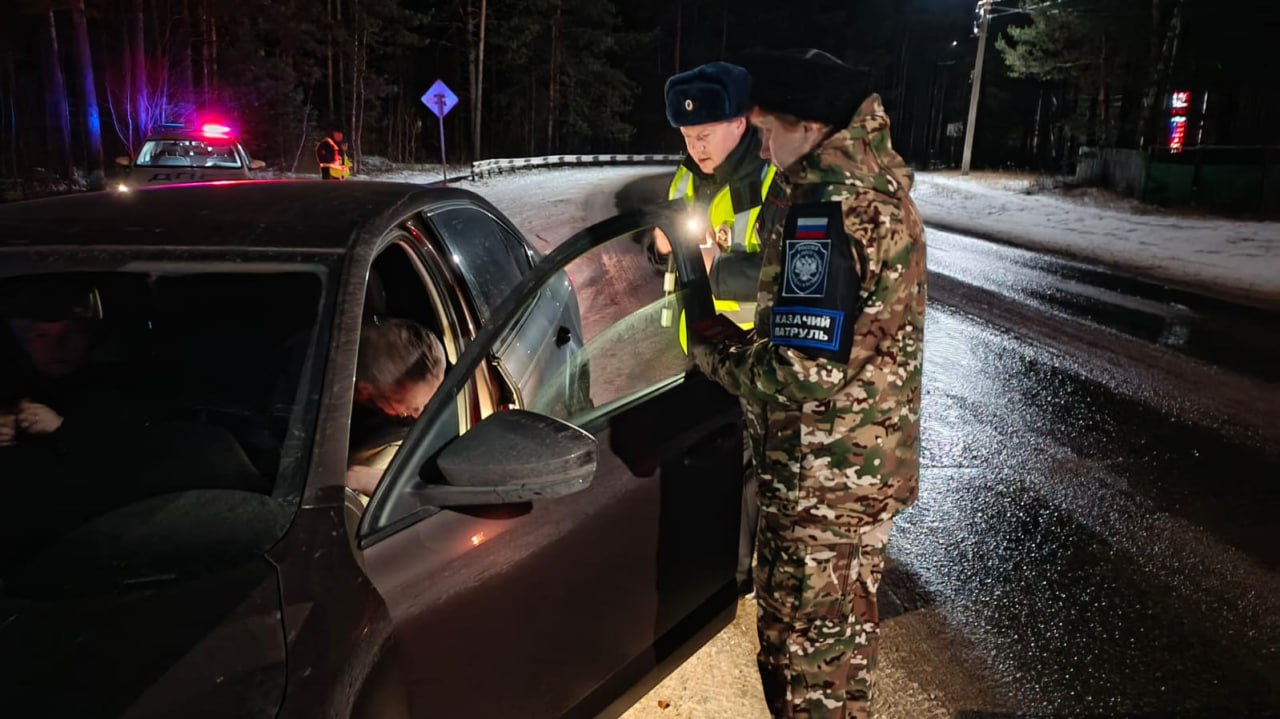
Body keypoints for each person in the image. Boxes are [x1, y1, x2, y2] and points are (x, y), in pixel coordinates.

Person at [690, 48, 926, 719]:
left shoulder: (823, 211)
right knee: (844, 656)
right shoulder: (876, 190)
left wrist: (715, 354)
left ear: (812, 128)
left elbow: (801, 369)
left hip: (821, 479)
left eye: (767, 132)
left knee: (801, 665)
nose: (761, 148)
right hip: (862, 469)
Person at [659, 61, 784, 595]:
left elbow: (794, 273)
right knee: (701, 459)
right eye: (687, 136)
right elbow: (667, 245)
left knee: (746, 471)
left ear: (739, 123)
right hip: (696, 348)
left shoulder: (774, 178)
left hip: (749, 351)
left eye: (704, 134)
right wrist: (659, 244)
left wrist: (717, 267)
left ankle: (734, 580)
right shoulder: (688, 174)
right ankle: (704, 559)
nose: (695, 147)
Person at [345, 317, 447, 497]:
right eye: (412, 407)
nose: (419, 416)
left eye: (430, 402)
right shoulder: (305, 404)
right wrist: (349, 478)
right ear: (365, 392)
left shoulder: (388, 406)